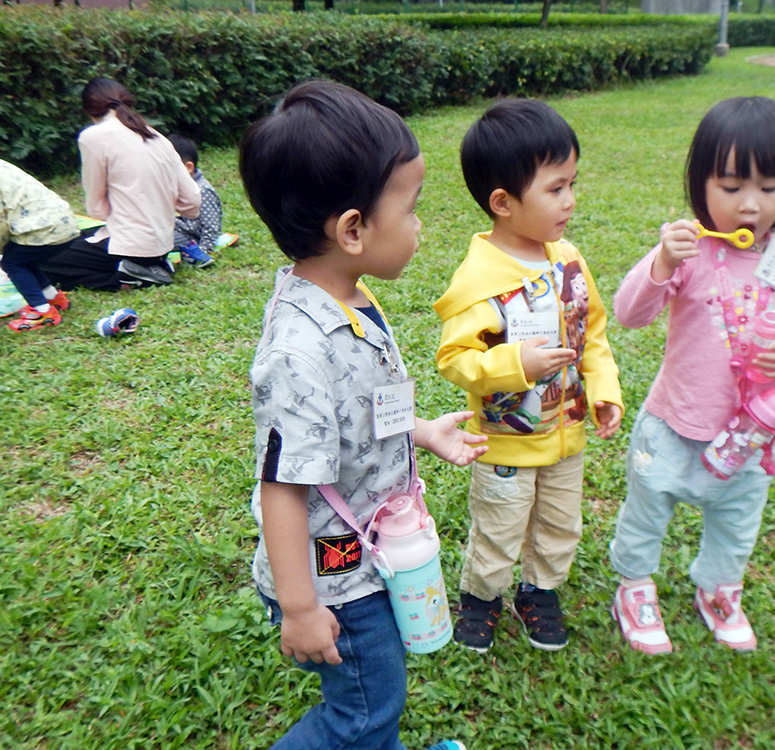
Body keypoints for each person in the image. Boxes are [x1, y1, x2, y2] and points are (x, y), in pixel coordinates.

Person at [240, 79, 485, 750]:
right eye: (412, 208)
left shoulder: (344, 295)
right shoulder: (297, 352)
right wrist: (300, 607)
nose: (420, 225)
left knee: (376, 693)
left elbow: (355, 410)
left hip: (368, 553)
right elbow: (283, 484)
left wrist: (419, 432)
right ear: (352, 229)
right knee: (365, 710)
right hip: (335, 576)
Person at [608, 97, 775, 655]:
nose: (751, 205)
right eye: (730, 187)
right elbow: (629, 314)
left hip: (749, 432)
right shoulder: (692, 249)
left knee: (737, 521)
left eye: (770, 187)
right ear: (700, 183)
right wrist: (662, 262)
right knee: (646, 511)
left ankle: (719, 590)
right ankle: (634, 586)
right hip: (673, 422)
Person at [434, 99, 624, 654]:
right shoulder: (482, 278)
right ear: (503, 203)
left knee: (560, 523)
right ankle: (481, 596)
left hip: (566, 436)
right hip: (506, 444)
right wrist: (515, 364)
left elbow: (591, 330)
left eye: (572, 184)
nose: (570, 200)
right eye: (555, 188)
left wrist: (604, 391)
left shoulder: (568, 260)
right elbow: (455, 358)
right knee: (499, 524)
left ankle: (539, 591)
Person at [41, 77, 200, 291]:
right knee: (78, 238)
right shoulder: (156, 136)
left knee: (41, 259)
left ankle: (124, 279)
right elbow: (192, 201)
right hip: (162, 244)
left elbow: (97, 209)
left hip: (131, 246)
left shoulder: (93, 136)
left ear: (89, 110)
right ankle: (148, 267)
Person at [0, 160, 77, 331]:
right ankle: (53, 298)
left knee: (12, 263)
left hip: (42, 229)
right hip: (62, 221)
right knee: (25, 260)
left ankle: (42, 312)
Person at [166, 134, 220, 268]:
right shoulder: (174, 186)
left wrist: (203, 250)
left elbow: (211, 226)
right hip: (173, 228)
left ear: (188, 167)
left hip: (189, 238)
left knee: (162, 238)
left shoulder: (202, 190)